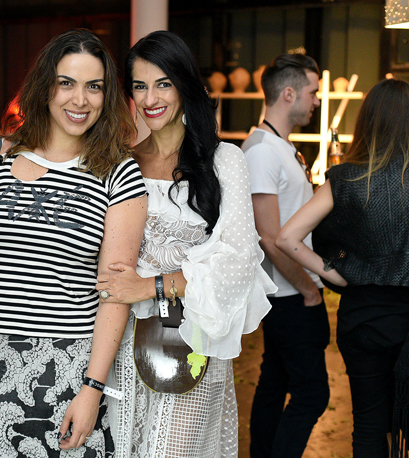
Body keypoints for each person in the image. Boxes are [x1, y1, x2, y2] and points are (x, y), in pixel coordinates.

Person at [0, 29, 148, 457]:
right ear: (44, 86)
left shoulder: (119, 173)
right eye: (66, 83)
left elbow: (114, 290)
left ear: (107, 95)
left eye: (94, 86)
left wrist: (93, 388)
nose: (80, 100)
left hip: (69, 371)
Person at [95, 30, 275, 457]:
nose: (150, 98)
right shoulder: (120, 162)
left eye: (163, 83)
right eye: (140, 86)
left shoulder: (223, 160)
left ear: (183, 85)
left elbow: (238, 260)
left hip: (192, 339)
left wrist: (150, 286)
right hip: (121, 340)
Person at [276, 78, 409, 458]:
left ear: (367, 121)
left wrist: (334, 272)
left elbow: (287, 238)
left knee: (368, 424)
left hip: (362, 318)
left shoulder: (346, 178)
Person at [241, 53, 330, 458]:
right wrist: (308, 290)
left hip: (291, 292)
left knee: (274, 385)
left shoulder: (279, 146)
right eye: (312, 92)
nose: (316, 101)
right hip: (289, 294)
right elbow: (268, 236)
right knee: (312, 394)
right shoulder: (262, 150)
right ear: (289, 93)